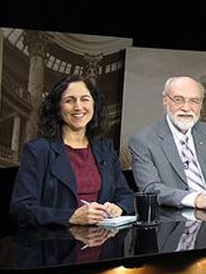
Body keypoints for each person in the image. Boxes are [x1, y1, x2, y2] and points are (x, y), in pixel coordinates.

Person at [10, 74, 134, 227]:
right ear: (57, 108)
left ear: (94, 105)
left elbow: (125, 195)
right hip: (56, 244)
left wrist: (119, 207)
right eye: (69, 100)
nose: (78, 107)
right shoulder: (38, 150)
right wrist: (71, 217)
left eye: (85, 99)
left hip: (104, 243)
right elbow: (22, 210)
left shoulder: (105, 148)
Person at [129, 76, 206, 212]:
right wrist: (197, 199)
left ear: (201, 104)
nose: (186, 108)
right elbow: (150, 188)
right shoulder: (143, 140)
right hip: (173, 222)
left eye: (194, 101)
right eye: (178, 100)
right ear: (165, 100)